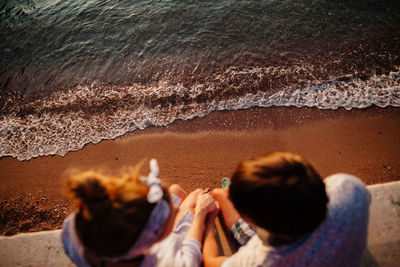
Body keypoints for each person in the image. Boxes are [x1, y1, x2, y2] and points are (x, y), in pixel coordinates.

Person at [203, 152, 371, 267]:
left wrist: (209, 221)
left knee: (220, 194)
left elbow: (211, 261)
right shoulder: (350, 190)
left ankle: (224, 193)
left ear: (251, 221)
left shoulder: (254, 260)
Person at [61, 159, 217, 267]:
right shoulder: (171, 261)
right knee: (195, 196)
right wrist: (201, 212)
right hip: (171, 248)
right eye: (167, 217)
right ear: (151, 240)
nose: (175, 210)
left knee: (175, 191)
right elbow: (191, 253)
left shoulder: (76, 230)